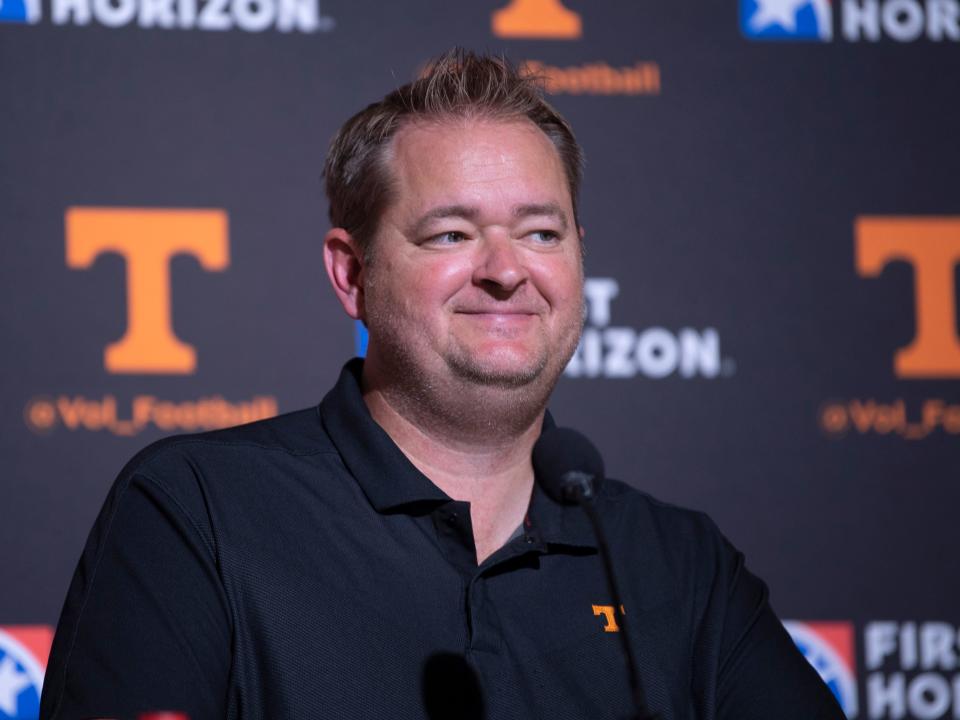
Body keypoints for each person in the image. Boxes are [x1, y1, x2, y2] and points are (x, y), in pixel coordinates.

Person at [40, 49, 844, 720]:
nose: (505, 271)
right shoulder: (197, 510)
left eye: (540, 232)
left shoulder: (677, 564)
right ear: (352, 274)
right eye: (452, 233)